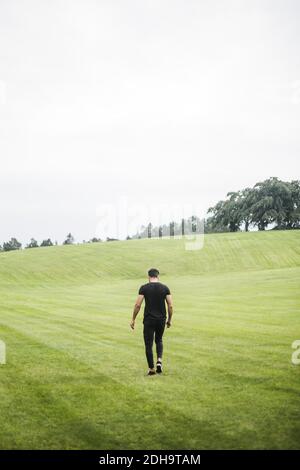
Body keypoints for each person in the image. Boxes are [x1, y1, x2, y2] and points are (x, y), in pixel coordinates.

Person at [130, 268, 173, 375]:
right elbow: (170, 305)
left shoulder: (144, 288)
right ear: (158, 276)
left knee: (148, 344)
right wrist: (169, 320)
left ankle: (151, 369)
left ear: (149, 277)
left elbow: (138, 305)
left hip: (149, 320)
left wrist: (133, 319)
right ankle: (159, 360)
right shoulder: (165, 288)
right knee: (159, 340)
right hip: (161, 319)